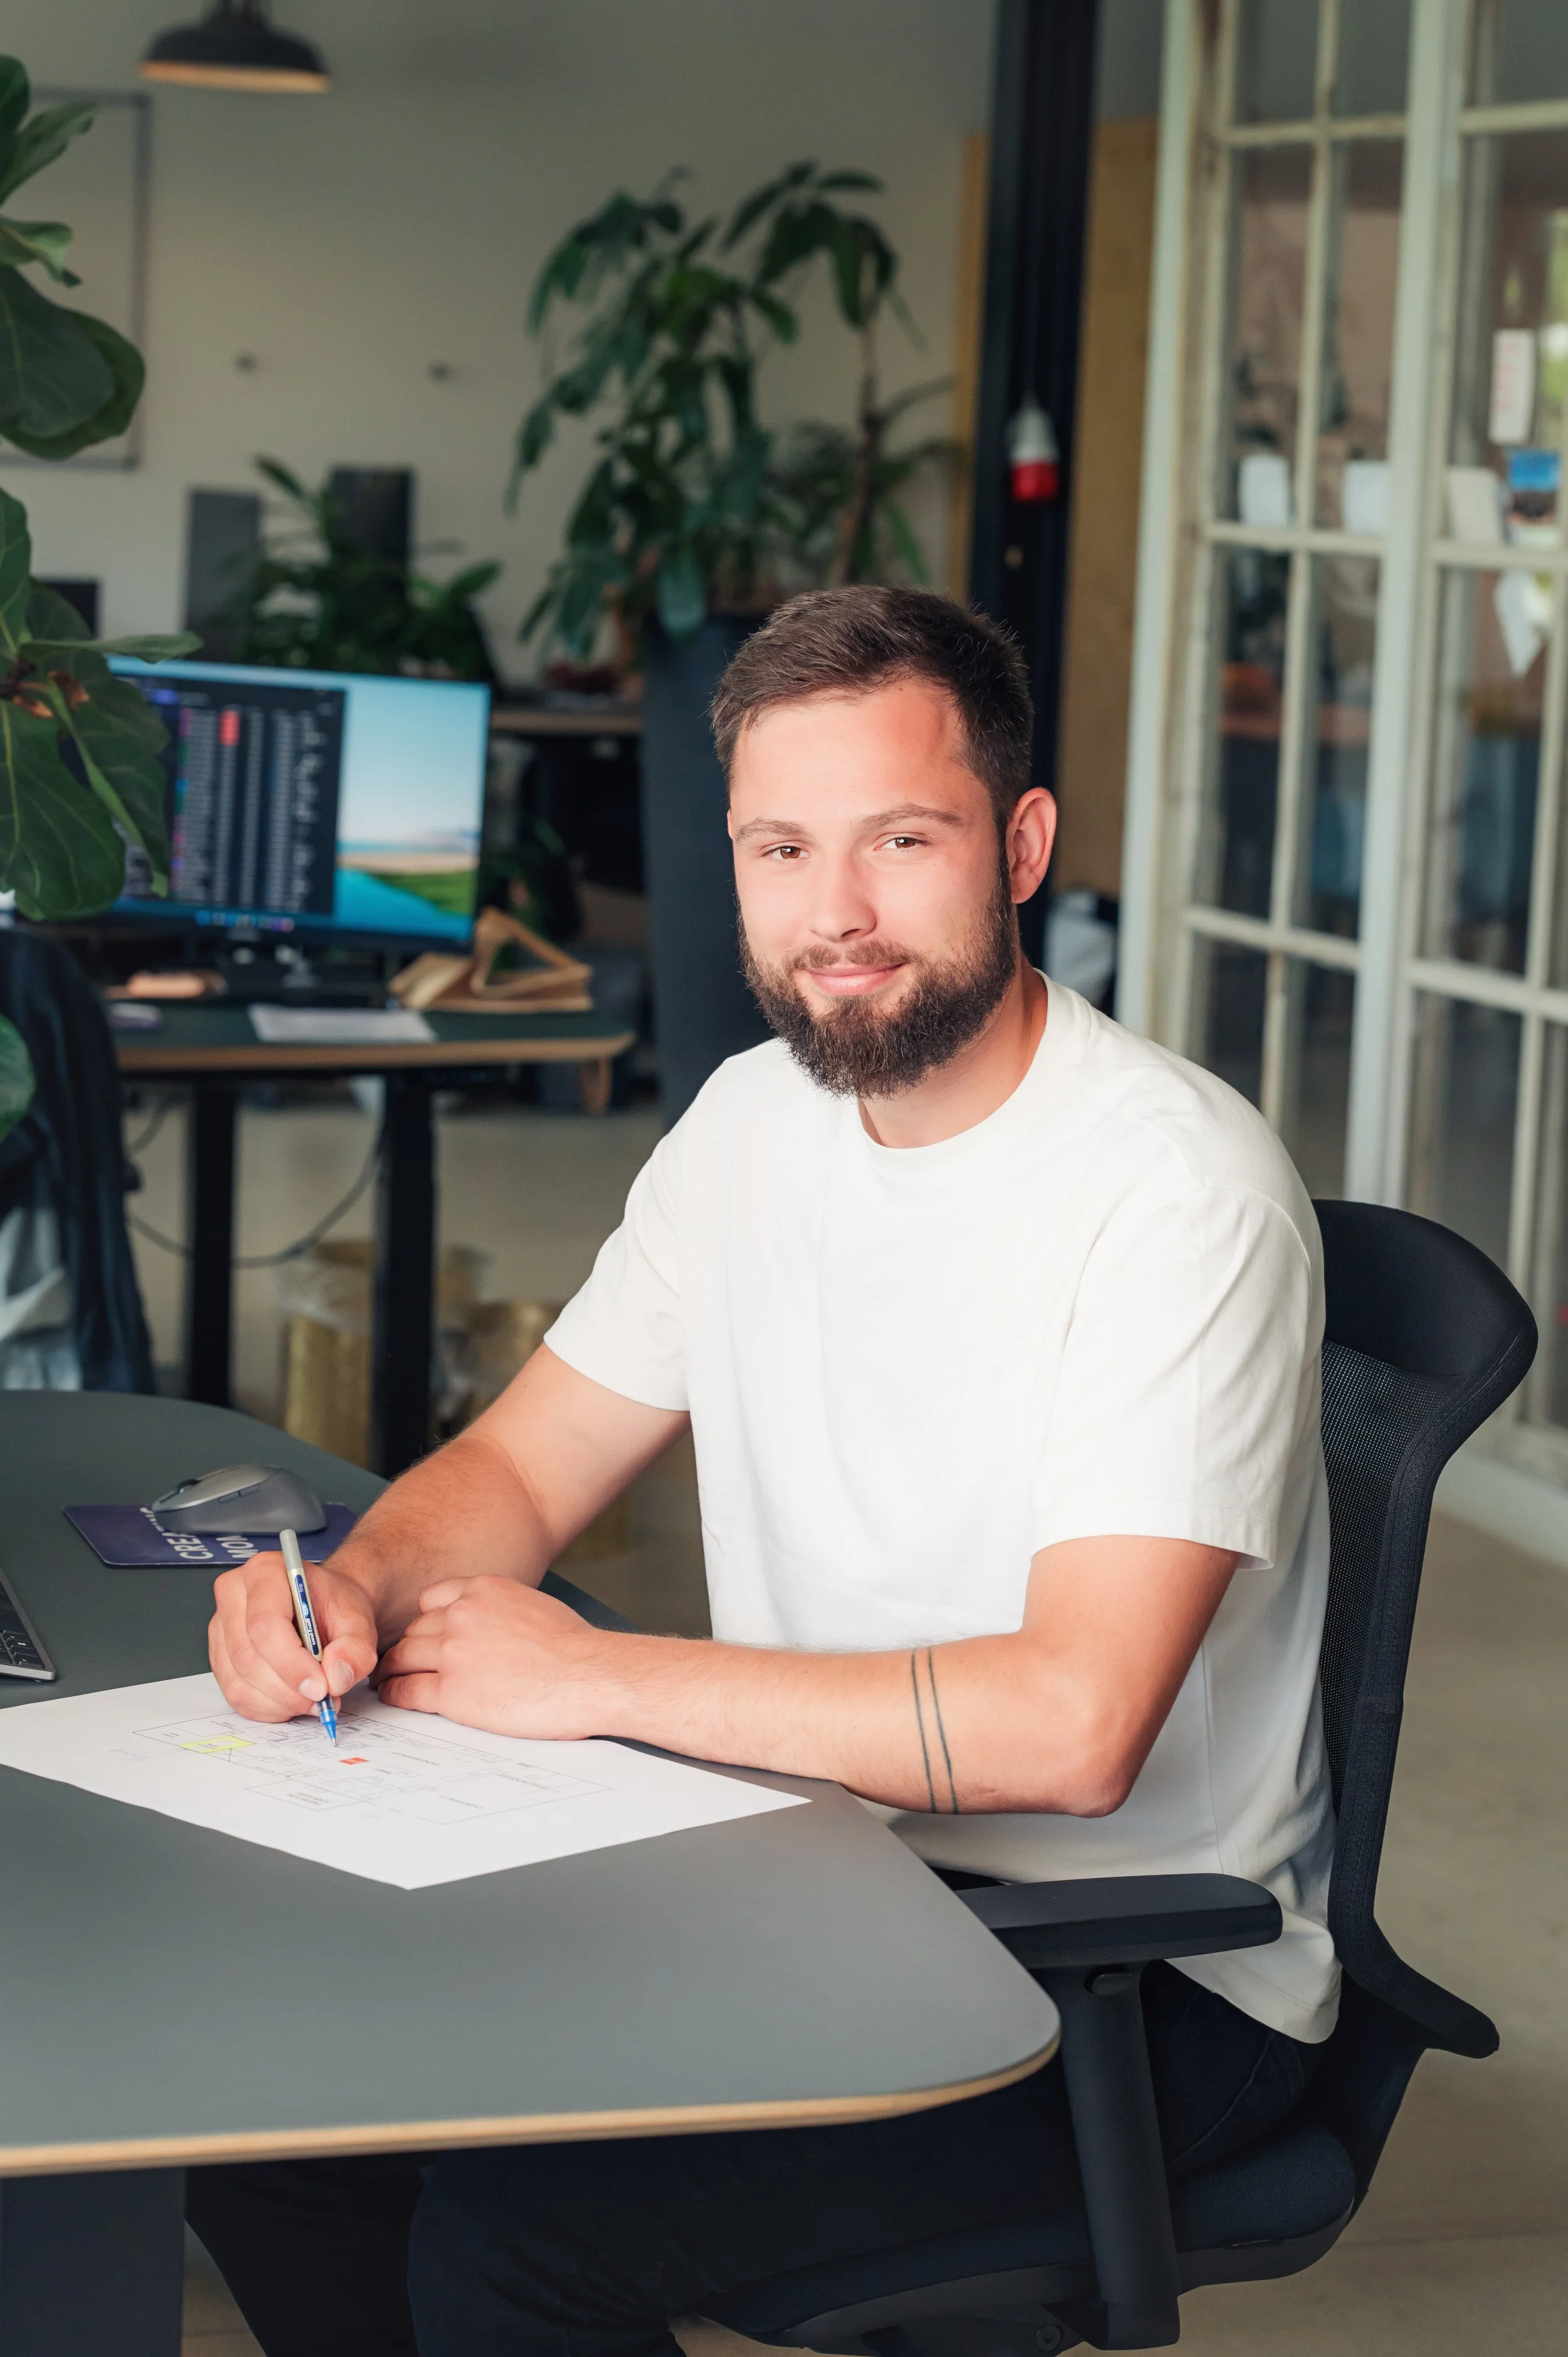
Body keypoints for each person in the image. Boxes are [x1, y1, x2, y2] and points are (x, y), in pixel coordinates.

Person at [189, 587, 1335, 2357]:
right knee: (277, 2113)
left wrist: (592, 1677)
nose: (838, 915)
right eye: (780, 847)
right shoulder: (749, 1128)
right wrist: (356, 1584)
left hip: (1123, 1982)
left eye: (902, 837)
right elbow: (514, 1463)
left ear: (1020, 844)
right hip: (824, 1891)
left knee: (513, 2242)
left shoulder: (1171, 1191)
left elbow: (1070, 1730)